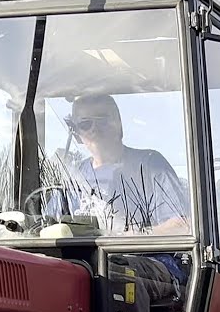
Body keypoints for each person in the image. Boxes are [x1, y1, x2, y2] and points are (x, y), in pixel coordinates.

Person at [64, 92, 191, 235]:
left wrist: (131, 237)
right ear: (77, 133)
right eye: (85, 124)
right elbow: (47, 226)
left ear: (119, 124)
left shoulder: (150, 165)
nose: (95, 129)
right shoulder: (75, 177)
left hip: (140, 256)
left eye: (102, 121)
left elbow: (181, 225)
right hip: (82, 257)